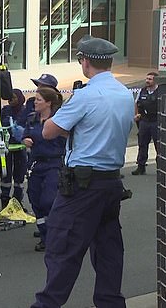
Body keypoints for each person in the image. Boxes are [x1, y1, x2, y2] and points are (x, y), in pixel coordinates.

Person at [31, 36, 133, 308]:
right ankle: (111, 303)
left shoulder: (85, 96)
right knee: (108, 249)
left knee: (62, 247)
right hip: (111, 182)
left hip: (81, 186)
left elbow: (49, 131)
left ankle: (47, 305)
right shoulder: (124, 94)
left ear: (85, 62)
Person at [22, 87, 65, 252]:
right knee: (35, 200)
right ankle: (45, 237)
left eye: (39, 99)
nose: (35, 102)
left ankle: (57, 235)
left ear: (48, 103)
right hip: (35, 164)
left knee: (48, 200)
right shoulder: (32, 119)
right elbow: (25, 134)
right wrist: (25, 139)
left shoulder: (58, 120)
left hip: (53, 164)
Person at [0, 88, 28, 209]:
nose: (11, 100)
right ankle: (5, 202)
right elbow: (1, 125)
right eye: (10, 97)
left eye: (14, 97)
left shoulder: (25, 111)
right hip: (7, 148)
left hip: (21, 148)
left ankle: (17, 202)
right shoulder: (5, 111)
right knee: (6, 175)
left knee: (19, 175)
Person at [132, 71, 159, 175]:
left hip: (156, 121)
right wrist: (137, 114)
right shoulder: (142, 91)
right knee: (142, 144)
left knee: (159, 145)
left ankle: (160, 168)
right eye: (147, 79)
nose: (147, 81)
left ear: (155, 80)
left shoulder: (160, 91)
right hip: (144, 121)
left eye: (150, 79)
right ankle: (141, 166)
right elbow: (136, 103)